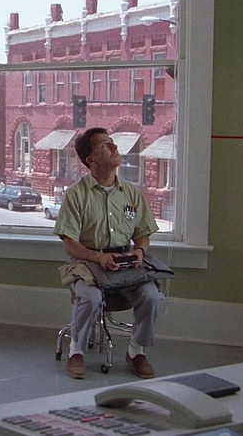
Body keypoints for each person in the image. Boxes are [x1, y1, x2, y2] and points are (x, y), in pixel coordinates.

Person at [54, 127, 161, 380]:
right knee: (90, 298)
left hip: (125, 262)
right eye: (105, 145)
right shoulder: (76, 194)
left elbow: (143, 234)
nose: (114, 147)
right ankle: (76, 351)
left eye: (112, 142)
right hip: (88, 262)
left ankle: (136, 351)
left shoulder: (131, 193)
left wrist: (139, 251)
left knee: (151, 295)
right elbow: (69, 244)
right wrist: (98, 257)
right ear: (90, 159)